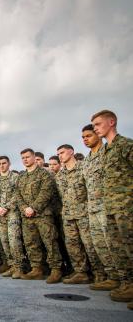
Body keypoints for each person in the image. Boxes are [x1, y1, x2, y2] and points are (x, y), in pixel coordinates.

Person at [91, 110, 133, 307]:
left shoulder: (125, 144)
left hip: (127, 207)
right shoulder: (107, 150)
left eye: (98, 124)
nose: (96, 128)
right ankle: (127, 284)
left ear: (112, 122)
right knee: (118, 248)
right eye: (94, 126)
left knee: (130, 247)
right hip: (111, 207)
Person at [81, 124, 121, 292]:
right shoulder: (87, 160)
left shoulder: (107, 153)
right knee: (99, 245)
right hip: (92, 209)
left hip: (108, 206)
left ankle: (125, 279)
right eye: (83, 137)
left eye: (88, 135)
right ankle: (112, 277)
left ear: (97, 135)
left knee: (114, 244)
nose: (85, 139)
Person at [55, 144, 102, 284]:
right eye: (58, 154)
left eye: (62, 152)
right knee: (73, 245)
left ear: (71, 152)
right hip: (68, 215)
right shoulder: (60, 175)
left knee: (90, 244)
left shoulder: (83, 167)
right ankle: (81, 272)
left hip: (84, 213)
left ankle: (100, 273)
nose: (60, 156)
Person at [15, 148, 62, 284]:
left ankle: (56, 269)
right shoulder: (21, 177)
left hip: (43, 215)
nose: (25, 159)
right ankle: (37, 269)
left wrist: (33, 208)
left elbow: (46, 192)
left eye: (27, 157)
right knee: (31, 243)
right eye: (23, 157)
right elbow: (17, 195)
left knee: (50, 241)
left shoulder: (44, 174)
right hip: (27, 216)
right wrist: (25, 208)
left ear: (34, 157)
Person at [0, 156, 25, 279]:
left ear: (9, 164)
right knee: (4, 241)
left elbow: (18, 194)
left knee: (14, 241)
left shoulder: (16, 178)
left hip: (12, 213)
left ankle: (19, 267)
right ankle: (12, 266)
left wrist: (7, 207)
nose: (2, 165)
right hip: (0, 215)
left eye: (4, 163)